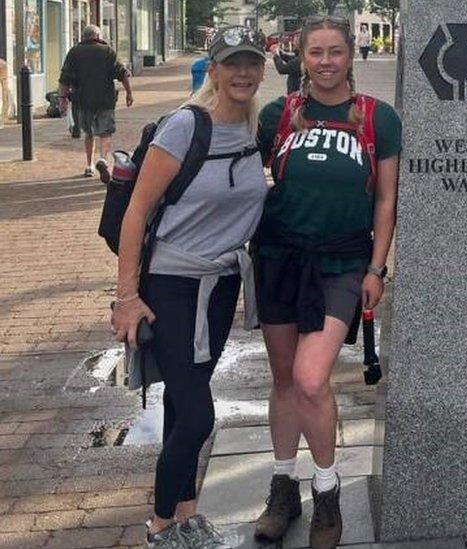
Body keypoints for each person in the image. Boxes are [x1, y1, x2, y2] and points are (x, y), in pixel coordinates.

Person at [109, 26, 269, 549]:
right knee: (199, 413)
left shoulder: (249, 130)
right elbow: (136, 214)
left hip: (221, 286)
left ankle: (187, 514)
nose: (242, 73)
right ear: (214, 69)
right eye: (232, 64)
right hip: (172, 287)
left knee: (183, 405)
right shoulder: (184, 126)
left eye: (251, 63)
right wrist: (127, 297)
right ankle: (158, 528)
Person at [250, 14, 401, 549]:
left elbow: (386, 200)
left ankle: (327, 489)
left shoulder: (376, 118)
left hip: (341, 262)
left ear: (351, 54)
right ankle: (283, 485)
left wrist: (377, 268)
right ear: (301, 54)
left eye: (335, 51)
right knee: (284, 379)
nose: (326, 62)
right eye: (316, 52)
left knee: (312, 378)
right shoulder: (277, 115)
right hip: (279, 256)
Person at [57, 24, 133, 178]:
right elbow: (122, 73)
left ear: (83, 37)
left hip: (82, 101)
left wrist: (62, 99)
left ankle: (89, 165)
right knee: (105, 133)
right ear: (98, 37)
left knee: (89, 133)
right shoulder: (107, 51)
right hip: (105, 100)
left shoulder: (74, 52)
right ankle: (103, 159)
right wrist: (129, 94)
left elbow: (64, 79)